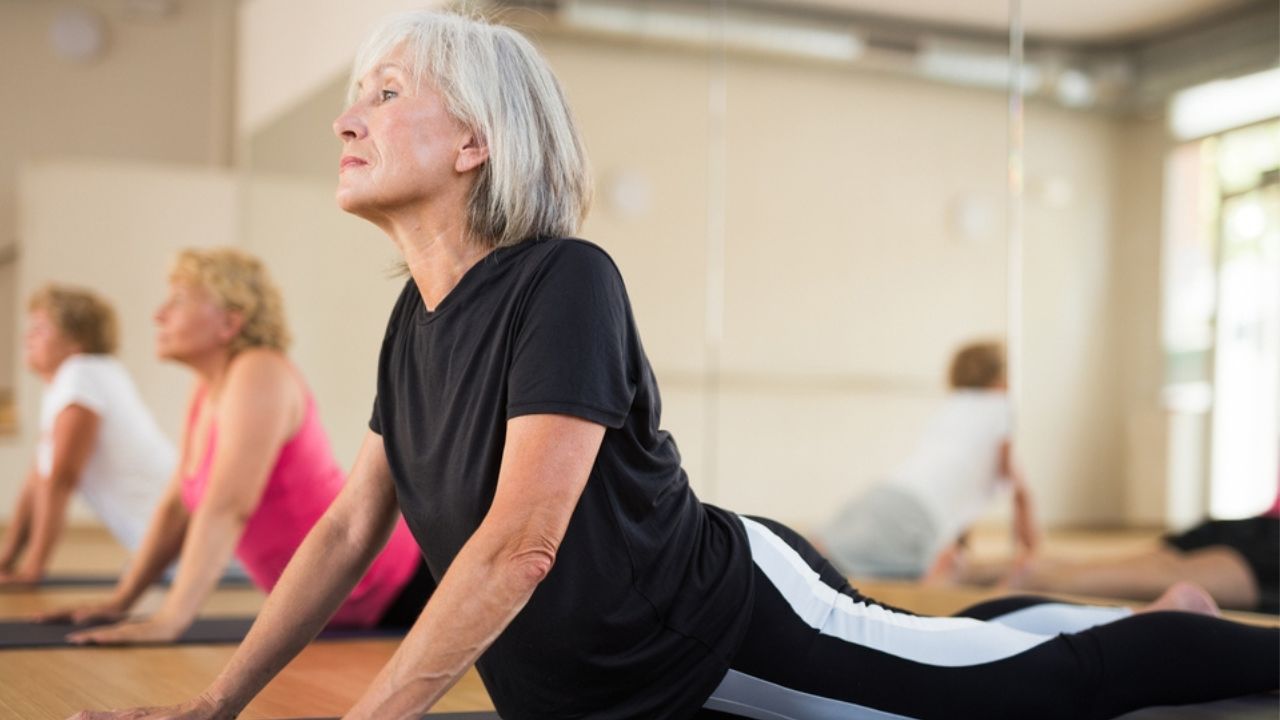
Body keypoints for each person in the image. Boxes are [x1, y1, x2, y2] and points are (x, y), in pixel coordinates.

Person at [69, 12, 1277, 720]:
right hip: (616, 684)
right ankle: (1085, 622)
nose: (348, 119)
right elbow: (346, 531)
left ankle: (1182, 630)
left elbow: (520, 543)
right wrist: (216, 703)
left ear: (477, 142)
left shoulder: (563, 280)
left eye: (384, 95)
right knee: (938, 646)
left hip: (723, 625)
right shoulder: (412, 320)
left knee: (1035, 694)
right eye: (353, 98)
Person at [43, 248, 430, 644]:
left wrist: (171, 620)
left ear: (230, 322)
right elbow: (176, 507)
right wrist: (121, 600)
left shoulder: (260, 371)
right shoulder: (208, 389)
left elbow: (228, 507)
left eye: (179, 300)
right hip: (334, 605)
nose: (159, 314)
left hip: (398, 585)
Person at [818, 341, 1038, 581]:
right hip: (917, 518)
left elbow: (957, 481)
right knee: (920, 579)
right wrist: (1032, 552)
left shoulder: (951, 407)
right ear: (1001, 379)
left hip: (882, 494)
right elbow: (1019, 490)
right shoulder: (1001, 407)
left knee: (821, 556)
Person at [0, 285, 174, 586]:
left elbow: (60, 480)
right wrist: (6, 559)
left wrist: (32, 570)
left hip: (183, 550)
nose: (28, 337)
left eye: (41, 329)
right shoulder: (77, 378)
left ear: (75, 342)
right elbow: (37, 479)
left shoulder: (81, 376)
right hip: (166, 546)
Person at [998, 481, 1279, 613]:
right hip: (1264, 537)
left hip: (1258, 528)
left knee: (1151, 565)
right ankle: (1033, 574)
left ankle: (1008, 570)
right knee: (1158, 568)